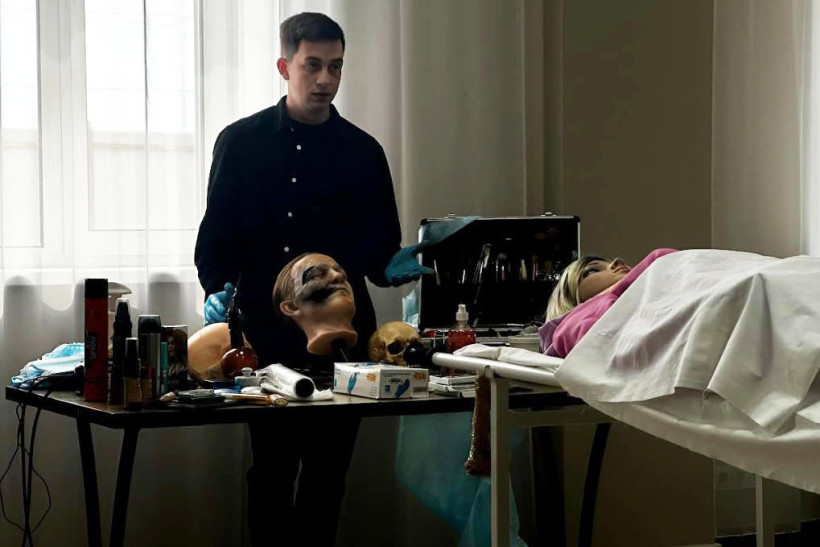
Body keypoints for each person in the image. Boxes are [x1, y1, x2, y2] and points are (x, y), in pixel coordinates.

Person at [194, 12, 421, 545]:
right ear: (284, 67)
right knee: (272, 470)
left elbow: (377, 253)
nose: (325, 79)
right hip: (264, 335)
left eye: (335, 67)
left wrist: (392, 267)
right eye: (312, 65)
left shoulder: (364, 151)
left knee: (328, 474)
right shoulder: (241, 142)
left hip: (343, 341)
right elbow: (217, 233)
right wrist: (216, 289)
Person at [541, 248, 677, 357]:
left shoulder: (646, 295)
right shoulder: (572, 323)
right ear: (571, 298)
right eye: (592, 270)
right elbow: (664, 258)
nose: (618, 261)